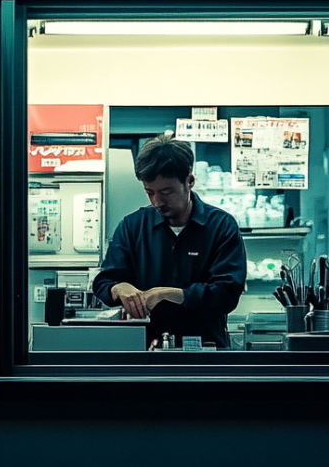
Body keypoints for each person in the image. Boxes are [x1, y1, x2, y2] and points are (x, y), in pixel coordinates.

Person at [93, 133, 246, 349]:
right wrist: (119, 288)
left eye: (166, 192)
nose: (157, 201)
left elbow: (227, 294)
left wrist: (172, 294)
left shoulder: (221, 226)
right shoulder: (132, 227)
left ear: (189, 181)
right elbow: (103, 282)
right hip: (144, 354)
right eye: (150, 192)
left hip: (205, 353)